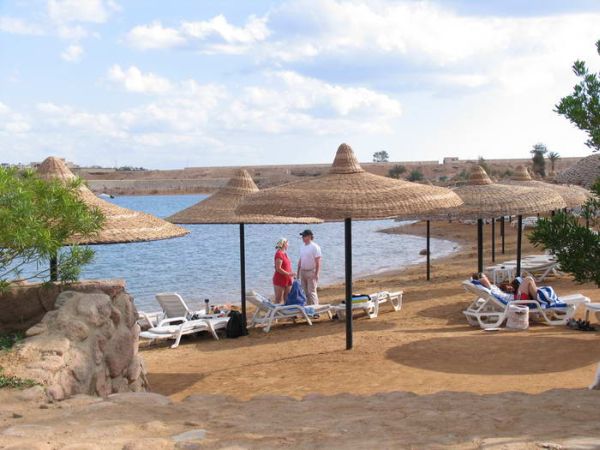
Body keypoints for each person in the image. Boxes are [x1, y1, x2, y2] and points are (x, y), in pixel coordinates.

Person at [297, 229, 322, 305]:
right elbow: (300, 260)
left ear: (309, 236)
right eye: (302, 236)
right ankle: (307, 308)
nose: (302, 238)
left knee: (311, 292)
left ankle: (316, 309)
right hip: (303, 271)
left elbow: (318, 262)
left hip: (311, 271)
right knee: (304, 292)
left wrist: (317, 274)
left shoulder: (315, 247)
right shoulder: (302, 247)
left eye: (304, 236)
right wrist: (298, 273)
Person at [272, 238, 295, 304]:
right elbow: (278, 268)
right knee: (279, 300)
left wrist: (291, 275)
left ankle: (286, 311)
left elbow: (287, 266)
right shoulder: (279, 254)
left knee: (287, 299)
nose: (288, 245)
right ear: (284, 244)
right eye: (287, 243)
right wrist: (289, 274)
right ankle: (276, 311)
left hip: (288, 279)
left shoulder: (284, 254)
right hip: (280, 280)